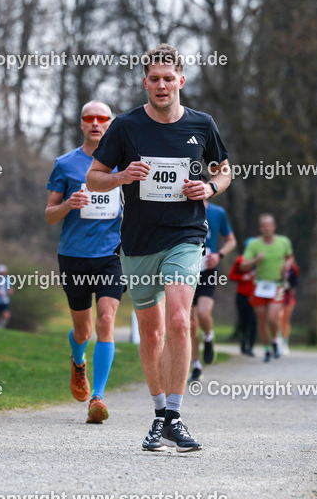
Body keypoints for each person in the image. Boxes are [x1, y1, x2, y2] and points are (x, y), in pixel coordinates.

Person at [87, 43, 231, 452]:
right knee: (151, 334)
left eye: (170, 78)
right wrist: (121, 177)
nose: (162, 85)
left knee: (181, 321)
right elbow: (94, 177)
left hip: (186, 235)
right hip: (137, 243)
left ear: (181, 81)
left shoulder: (202, 125)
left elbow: (224, 171)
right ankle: (157, 415)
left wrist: (210, 186)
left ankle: (174, 416)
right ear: (145, 83)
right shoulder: (126, 127)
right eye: (155, 79)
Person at [45, 100, 125, 424]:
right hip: (75, 256)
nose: (95, 123)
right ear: (82, 124)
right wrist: (68, 204)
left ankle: (98, 397)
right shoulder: (65, 164)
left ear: (110, 123)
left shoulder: (124, 166)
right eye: (89, 118)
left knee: (106, 321)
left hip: (111, 255)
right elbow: (50, 215)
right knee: (84, 330)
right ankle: (78, 362)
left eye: (102, 118)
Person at [188, 200, 236, 383]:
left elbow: (232, 241)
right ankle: (196, 365)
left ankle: (208, 336)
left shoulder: (217, 212)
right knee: (190, 323)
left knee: (203, 313)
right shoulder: (179, 208)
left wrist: (219, 255)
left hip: (207, 270)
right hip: (186, 269)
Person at [239, 214, 294, 362]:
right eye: (264, 225)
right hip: (259, 286)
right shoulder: (254, 245)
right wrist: (256, 259)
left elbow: (290, 257)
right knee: (262, 320)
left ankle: (275, 340)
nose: (267, 228)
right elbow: (243, 265)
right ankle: (267, 349)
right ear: (260, 228)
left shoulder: (283, 242)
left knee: (273, 318)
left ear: (274, 227)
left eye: (269, 225)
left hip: (277, 285)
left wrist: (287, 265)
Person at [228, 254, 257, 357]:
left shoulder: (262, 260)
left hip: (257, 296)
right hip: (242, 295)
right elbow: (231, 275)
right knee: (244, 321)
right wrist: (242, 277)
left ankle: (251, 347)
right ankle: (243, 344)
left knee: (254, 321)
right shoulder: (241, 260)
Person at [278, 259, 300, 354]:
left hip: (288, 296)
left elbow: (295, 283)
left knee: (285, 320)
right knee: (278, 317)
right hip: (278, 294)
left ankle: (285, 342)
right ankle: (277, 340)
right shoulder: (276, 266)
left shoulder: (293, 269)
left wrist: (288, 285)